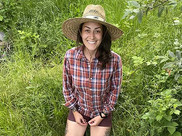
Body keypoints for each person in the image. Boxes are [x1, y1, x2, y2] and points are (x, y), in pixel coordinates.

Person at [62, 4, 123, 136]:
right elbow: (66, 87)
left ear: (103, 34)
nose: (92, 36)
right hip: (79, 109)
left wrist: (102, 114)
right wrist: (75, 111)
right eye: (87, 30)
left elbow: (114, 91)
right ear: (80, 32)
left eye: (97, 31)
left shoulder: (115, 60)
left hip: (102, 111)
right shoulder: (70, 56)